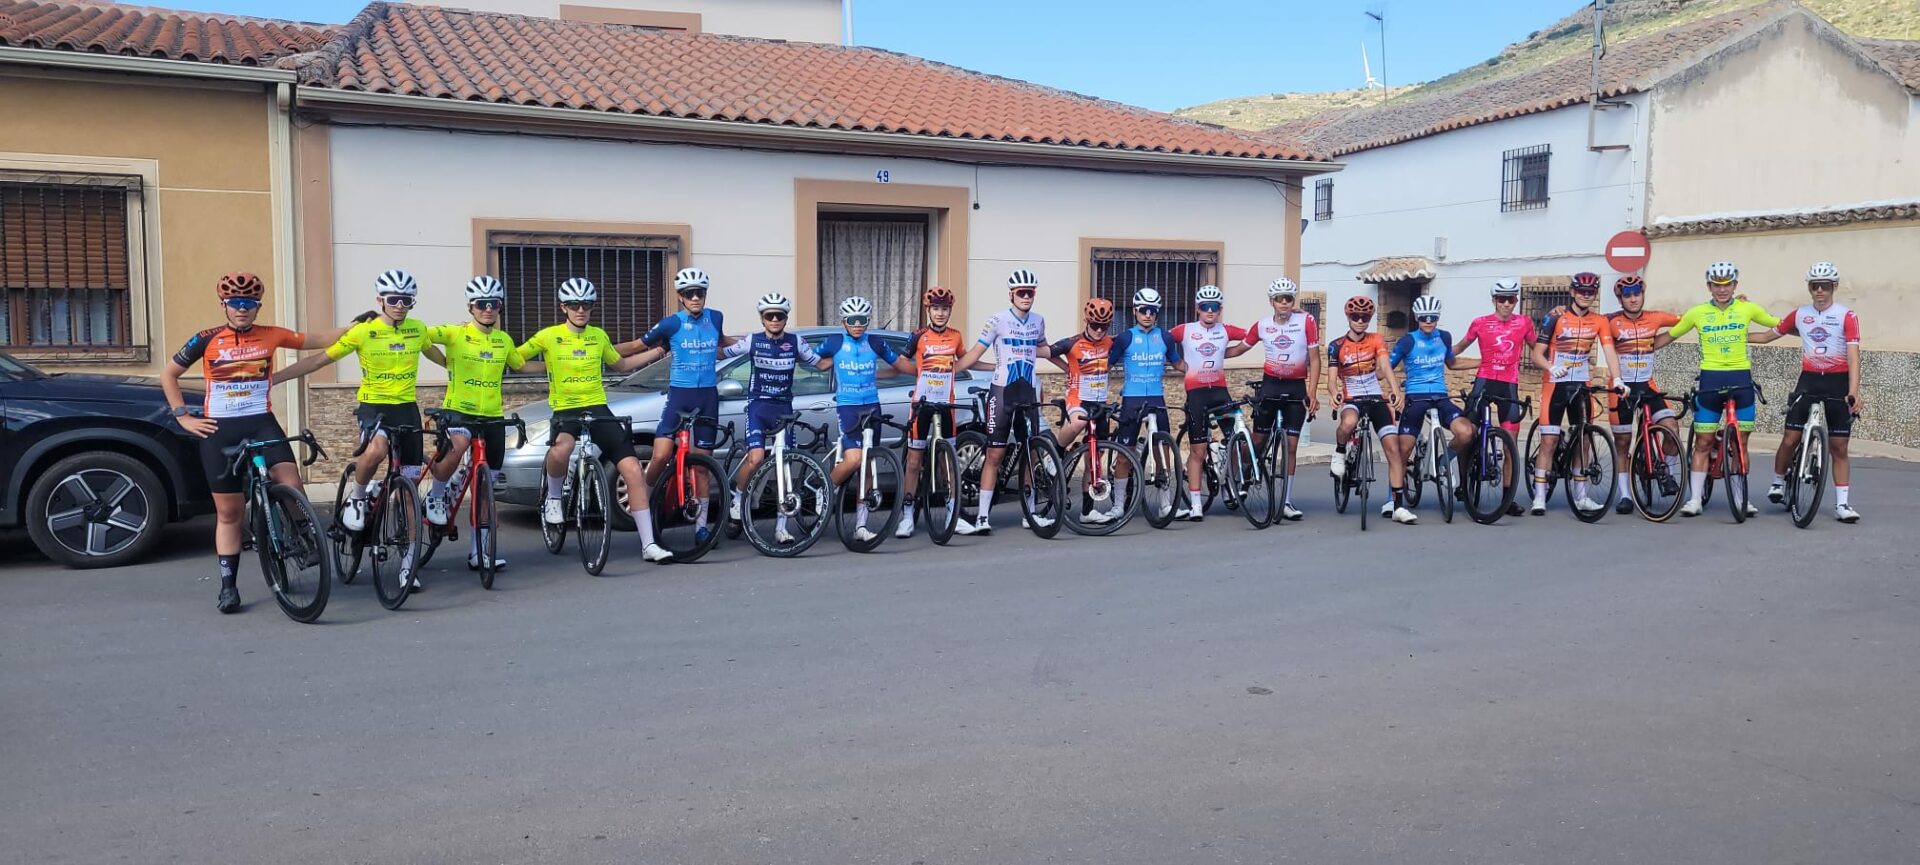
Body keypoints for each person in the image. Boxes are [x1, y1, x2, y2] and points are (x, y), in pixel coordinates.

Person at [162, 272, 363, 614]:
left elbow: (318, 340)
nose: (242, 309)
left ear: (258, 307)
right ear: (224, 305)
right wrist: (183, 415)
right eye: (235, 303)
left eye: (249, 303)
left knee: (291, 481)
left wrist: (355, 326)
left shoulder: (272, 335)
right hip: (218, 430)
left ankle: (302, 533)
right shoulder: (205, 339)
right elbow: (170, 374)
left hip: (260, 423)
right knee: (229, 513)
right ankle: (228, 587)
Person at [274, 269, 433, 548]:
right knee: (377, 450)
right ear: (380, 300)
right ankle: (358, 496)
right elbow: (318, 361)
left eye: (406, 300)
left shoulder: (418, 329)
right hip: (375, 408)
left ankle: (410, 560)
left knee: (410, 488)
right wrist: (273, 379)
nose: (400, 305)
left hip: (407, 409)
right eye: (394, 299)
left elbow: (439, 355)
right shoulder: (363, 332)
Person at [518, 278, 661, 559]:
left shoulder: (598, 336)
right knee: (561, 449)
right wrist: (546, 365)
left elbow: (620, 364)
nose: (580, 310)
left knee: (632, 469)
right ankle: (555, 498)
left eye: (586, 305)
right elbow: (517, 360)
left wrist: (657, 352)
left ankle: (649, 544)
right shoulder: (548, 336)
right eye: (574, 305)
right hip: (566, 408)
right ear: (563, 307)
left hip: (597, 406)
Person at [1653, 261, 1780, 518]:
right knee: (1703, 441)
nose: (1722, 290)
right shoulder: (1697, 312)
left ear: (1735, 285)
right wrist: (1636, 348)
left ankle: (1739, 496)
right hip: (1710, 381)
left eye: (1727, 285)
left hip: (1741, 380)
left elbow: (1777, 326)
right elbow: (1670, 336)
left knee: (1741, 443)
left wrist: (1812, 327)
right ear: (1709, 287)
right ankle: (1695, 499)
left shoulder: (1747, 308)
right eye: (1716, 285)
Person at [420, 275, 526, 572]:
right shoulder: (454, 333)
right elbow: (421, 338)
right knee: (458, 446)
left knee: (486, 486)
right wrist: (443, 361)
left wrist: (560, 360)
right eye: (482, 304)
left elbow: (520, 363)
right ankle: (437, 496)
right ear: (471, 306)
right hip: (458, 411)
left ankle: (479, 551)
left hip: (491, 415)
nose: (488, 309)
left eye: (494, 304)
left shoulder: (504, 340)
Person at [1752, 261, 1862, 522]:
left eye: (1825, 286)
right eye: (1815, 286)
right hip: (1809, 380)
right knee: (1790, 437)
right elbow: (1769, 336)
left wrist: (1854, 392)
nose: (1820, 291)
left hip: (1837, 382)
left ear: (1834, 287)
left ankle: (1843, 505)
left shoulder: (1847, 315)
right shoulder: (1800, 314)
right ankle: (1778, 481)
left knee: (1839, 447)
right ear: (1810, 288)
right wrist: (1735, 334)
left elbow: (1854, 357)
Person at [950, 269, 1054, 536]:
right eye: (1021, 292)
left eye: (1030, 292)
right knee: (995, 455)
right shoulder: (997, 320)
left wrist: (1071, 367)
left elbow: (1045, 350)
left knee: (1031, 453)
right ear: (1011, 295)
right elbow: (975, 353)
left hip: (1027, 393)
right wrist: (949, 372)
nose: (1026, 296)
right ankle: (983, 516)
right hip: (1002, 394)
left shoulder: (1039, 321)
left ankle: (1029, 513)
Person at [723, 292, 823, 542]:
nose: (775, 319)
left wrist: (847, 355)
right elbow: (722, 354)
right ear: (762, 318)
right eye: (770, 315)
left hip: (783, 410)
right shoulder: (752, 341)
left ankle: (781, 527)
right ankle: (737, 499)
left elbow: (820, 364)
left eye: (780, 315)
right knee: (756, 457)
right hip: (759, 407)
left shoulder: (796, 342)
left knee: (784, 466)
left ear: (786, 318)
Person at [815, 296, 916, 543]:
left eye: (862, 320)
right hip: (848, 406)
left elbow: (900, 366)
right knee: (854, 459)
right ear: (844, 321)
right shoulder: (836, 341)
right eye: (852, 320)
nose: (858, 325)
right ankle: (825, 488)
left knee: (868, 464)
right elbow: (814, 361)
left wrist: (930, 369)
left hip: (872, 405)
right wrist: (829, 362)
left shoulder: (875, 341)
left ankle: (861, 525)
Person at [1526, 271, 1624, 516]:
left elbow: (1610, 351)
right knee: (1549, 441)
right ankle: (1539, 497)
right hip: (1555, 384)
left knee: (1584, 440)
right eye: (1581, 291)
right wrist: (1551, 366)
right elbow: (1536, 354)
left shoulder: (1600, 321)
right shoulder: (1554, 317)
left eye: (1590, 292)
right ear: (1572, 292)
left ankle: (1581, 497)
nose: (1585, 296)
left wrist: (1618, 377)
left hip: (1581, 385)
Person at [1452, 278, 1536, 518]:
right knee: (1468, 434)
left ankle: (1507, 498)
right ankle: (1463, 484)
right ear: (1494, 300)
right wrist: (1439, 355)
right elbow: (1460, 347)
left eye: (1511, 299)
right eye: (1502, 299)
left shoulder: (1524, 323)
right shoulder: (1480, 323)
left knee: (1510, 442)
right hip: (1484, 382)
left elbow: (1538, 348)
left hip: (1509, 385)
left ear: (1516, 300)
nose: (1506, 304)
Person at [1388, 294, 1476, 518]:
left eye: (1433, 317)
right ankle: (1393, 499)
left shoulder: (1444, 337)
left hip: (1440, 396)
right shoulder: (1408, 341)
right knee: (1403, 449)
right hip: (1415, 398)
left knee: (1467, 432)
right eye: (1425, 317)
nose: (1429, 321)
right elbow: (1387, 367)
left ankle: (1442, 460)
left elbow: (1452, 363)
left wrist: (1485, 361)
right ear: (1417, 318)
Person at [1325, 295, 1410, 523]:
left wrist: (1394, 390)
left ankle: (1398, 505)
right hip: (1352, 397)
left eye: (1365, 317)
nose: (1360, 320)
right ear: (1348, 317)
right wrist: (1335, 393)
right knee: (1349, 423)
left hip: (1375, 396)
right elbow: (1332, 380)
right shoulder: (1336, 346)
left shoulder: (1376, 339)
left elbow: (1384, 365)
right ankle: (1341, 451)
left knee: (1394, 448)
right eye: (1356, 316)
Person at [1169, 284, 1251, 521]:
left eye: (1214, 307)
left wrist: (1229, 353)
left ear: (1220, 309)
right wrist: (1177, 363)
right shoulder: (1185, 330)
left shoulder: (1224, 330)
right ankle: (1195, 504)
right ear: (1198, 308)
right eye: (1205, 307)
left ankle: (1230, 486)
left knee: (1235, 441)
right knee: (1198, 450)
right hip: (1196, 394)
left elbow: (1255, 334)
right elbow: (1160, 339)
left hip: (1220, 392)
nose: (1210, 311)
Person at [1603, 274, 1682, 515]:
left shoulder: (1655, 317)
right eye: (1627, 295)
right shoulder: (1609, 321)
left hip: (1648, 386)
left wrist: (1735, 304)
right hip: (1621, 389)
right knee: (1623, 443)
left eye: (1637, 293)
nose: (1633, 298)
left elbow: (1690, 319)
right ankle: (1625, 495)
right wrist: (1559, 310)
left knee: (1671, 427)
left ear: (1642, 294)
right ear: (1620, 299)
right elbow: (1581, 321)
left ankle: (1666, 472)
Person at [896, 287, 970, 539]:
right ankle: (907, 516)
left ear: (950, 310)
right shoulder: (917, 336)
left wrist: (997, 365)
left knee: (947, 461)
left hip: (946, 404)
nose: (940, 313)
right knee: (914, 461)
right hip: (922, 405)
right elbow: (900, 362)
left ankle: (952, 514)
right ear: (928, 310)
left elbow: (964, 361)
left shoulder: (956, 336)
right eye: (936, 308)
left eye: (945, 309)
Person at [1243, 277, 1319, 520]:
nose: (1284, 303)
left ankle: (1286, 500)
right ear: (1271, 302)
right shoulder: (1263, 325)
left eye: (1288, 298)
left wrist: (1313, 391)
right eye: (1279, 299)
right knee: (1257, 441)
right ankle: (1245, 473)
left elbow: (1315, 359)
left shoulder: (1306, 320)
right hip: (1270, 386)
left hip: (1296, 388)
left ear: (1293, 300)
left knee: (1292, 446)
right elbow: (1242, 347)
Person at [1108, 287, 1181, 517]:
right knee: (1124, 454)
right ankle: (1118, 506)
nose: (1147, 314)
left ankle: (1165, 504)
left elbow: (1179, 365)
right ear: (1134, 311)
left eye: (1152, 311)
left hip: (1156, 399)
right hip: (1132, 399)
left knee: (1163, 450)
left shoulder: (1165, 337)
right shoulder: (1125, 337)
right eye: (1143, 310)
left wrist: (1210, 365)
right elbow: (1105, 366)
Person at [1047, 297, 1119, 523]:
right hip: (1078, 399)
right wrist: (1067, 367)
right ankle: (1056, 452)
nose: (1099, 330)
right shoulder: (1072, 343)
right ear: (1086, 321)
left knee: (1093, 460)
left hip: (1100, 404)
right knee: (1078, 421)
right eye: (1095, 325)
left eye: (1104, 326)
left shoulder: (1110, 342)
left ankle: (1087, 512)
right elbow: (1045, 352)